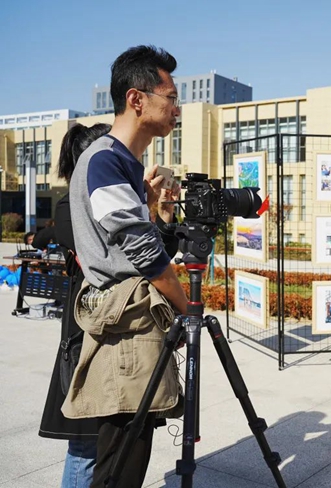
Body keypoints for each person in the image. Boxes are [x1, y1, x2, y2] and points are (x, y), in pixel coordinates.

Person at [63, 45, 187, 488]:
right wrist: (186, 308)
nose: (177, 108)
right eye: (171, 98)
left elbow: (140, 245)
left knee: (128, 459)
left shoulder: (124, 163)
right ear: (137, 99)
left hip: (131, 325)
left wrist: (158, 211)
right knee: (120, 468)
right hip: (125, 333)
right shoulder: (107, 159)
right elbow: (146, 257)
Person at [37, 123, 111, 488]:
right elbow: (110, 258)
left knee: (113, 441)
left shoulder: (118, 202)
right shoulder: (72, 206)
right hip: (86, 336)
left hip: (116, 331)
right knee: (85, 444)